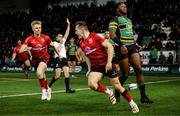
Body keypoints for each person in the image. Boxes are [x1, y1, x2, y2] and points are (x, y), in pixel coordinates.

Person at [75, 21, 139, 113]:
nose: (75, 32)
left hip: (106, 64)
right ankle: (108, 92)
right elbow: (86, 56)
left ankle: (132, 104)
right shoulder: (81, 43)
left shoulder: (95, 36)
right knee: (91, 84)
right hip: (96, 67)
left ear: (82, 29)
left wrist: (109, 62)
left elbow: (110, 47)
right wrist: (89, 69)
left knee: (117, 86)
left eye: (76, 30)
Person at [109, 2, 153, 104]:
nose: (125, 7)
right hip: (121, 47)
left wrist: (136, 44)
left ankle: (143, 96)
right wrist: (121, 45)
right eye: (122, 6)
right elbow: (112, 35)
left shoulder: (129, 20)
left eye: (125, 6)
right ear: (117, 8)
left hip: (132, 46)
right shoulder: (114, 19)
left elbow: (130, 35)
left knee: (139, 69)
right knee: (125, 74)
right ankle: (117, 91)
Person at [20, 20, 60, 101]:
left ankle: (43, 90)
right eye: (36, 28)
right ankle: (48, 88)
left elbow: (52, 46)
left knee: (39, 72)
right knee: (41, 76)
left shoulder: (46, 38)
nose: (38, 29)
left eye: (39, 28)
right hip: (35, 60)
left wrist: (58, 55)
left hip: (45, 58)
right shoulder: (29, 39)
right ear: (33, 29)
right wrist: (27, 48)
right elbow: (21, 50)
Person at [48, 18, 75, 93]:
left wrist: (69, 25)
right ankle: (48, 86)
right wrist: (61, 43)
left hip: (64, 59)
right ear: (56, 37)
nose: (61, 37)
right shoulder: (54, 43)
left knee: (67, 74)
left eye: (61, 36)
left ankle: (67, 89)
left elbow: (67, 33)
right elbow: (58, 50)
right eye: (59, 36)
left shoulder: (62, 41)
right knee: (57, 76)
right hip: (57, 59)